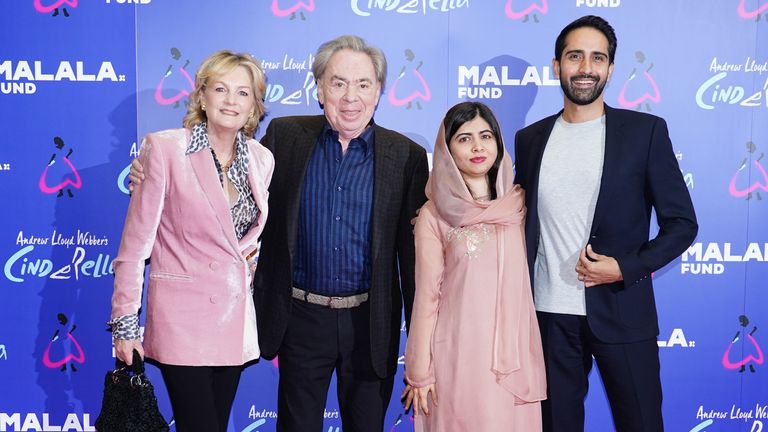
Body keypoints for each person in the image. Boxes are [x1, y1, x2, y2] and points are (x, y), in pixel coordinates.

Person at [513, 15, 698, 432]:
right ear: (556, 65)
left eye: (597, 58)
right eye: (574, 56)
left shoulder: (644, 132)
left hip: (622, 310)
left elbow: (682, 225)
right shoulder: (530, 139)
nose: (585, 67)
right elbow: (514, 217)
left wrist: (624, 267)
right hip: (547, 317)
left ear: (611, 69)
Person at [254, 35, 428, 431]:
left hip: (372, 322)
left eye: (363, 84)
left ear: (379, 92)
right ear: (319, 89)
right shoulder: (284, 138)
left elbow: (415, 257)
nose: (351, 96)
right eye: (338, 83)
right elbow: (234, 182)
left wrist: (422, 339)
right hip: (299, 317)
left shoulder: (406, 157)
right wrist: (168, 160)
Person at [111, 50, 274, 432]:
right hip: (181, 321)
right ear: (202, 96)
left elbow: (244, 238)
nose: (231, 101)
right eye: (220, 89)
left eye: (242, 92)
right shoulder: (166, 149)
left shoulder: (261, 159)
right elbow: (134, 248)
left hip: (232, 322)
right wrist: (125, 326)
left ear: (254, 106)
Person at [402, 101, 546, 431]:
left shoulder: (520, 204)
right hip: (458, 356)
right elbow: (426, 299)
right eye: (464, 138)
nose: (478, 146)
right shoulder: (433, 216)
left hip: (514, 357)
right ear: (447, 150)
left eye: (485, 136)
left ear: (498, 141)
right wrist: (420, 369)